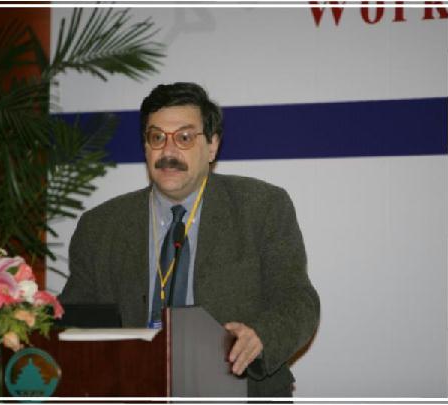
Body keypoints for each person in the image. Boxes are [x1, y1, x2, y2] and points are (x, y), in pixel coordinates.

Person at [58, 82, 320, 397]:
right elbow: (71, 320)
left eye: (184, 138)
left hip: (239, 391)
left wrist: (260, 337)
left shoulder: (261, 207)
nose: (168, 152)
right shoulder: (100, 226)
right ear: (145, 146)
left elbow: (298, 300)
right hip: (133, 391)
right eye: (157, 138)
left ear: (212, 146)